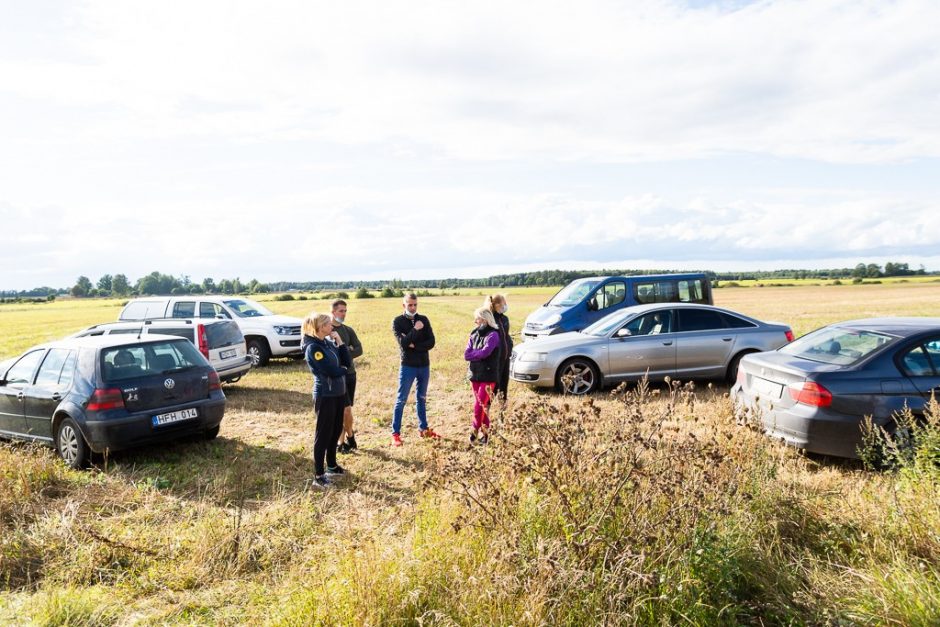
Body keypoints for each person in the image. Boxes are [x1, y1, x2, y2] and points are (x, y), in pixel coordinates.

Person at [302, 312, 351, 487]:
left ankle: (331, 465)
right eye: (329, 325)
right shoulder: (313, 348)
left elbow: (346, 361)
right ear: (321, 327)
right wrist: (343, 369)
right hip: (326, 394)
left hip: (338, 392)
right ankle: (319, 475)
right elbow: (331, 370)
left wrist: (340, 341)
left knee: (336, 429)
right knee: (323, 434)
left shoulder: (328, 343)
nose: (332, 327)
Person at [390, 292, 439, 446]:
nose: (412, 307)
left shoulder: (423, 319)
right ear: (403, 305)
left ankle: (423, 429)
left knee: (422, 398)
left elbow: (431, 342)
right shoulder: (398, 321)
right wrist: (416, 330)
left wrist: (414, 345)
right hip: (408, 366)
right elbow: (403, 343)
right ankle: (395, 434)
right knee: (401, 399)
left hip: (424, 365)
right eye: (409, 304)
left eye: (415, 304)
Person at [464, 307, 502, 444]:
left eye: (477, 318)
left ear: (485, 320)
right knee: (483, 407)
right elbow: (466, 354)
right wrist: (477, 355)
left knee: (479, 405)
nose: (475, 321)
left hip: (488, 375)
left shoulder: (493, 335)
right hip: (475, 374)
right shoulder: (474, 333)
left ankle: (475, 429)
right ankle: (485, 436)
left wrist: (475, 354)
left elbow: (486, 352)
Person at [331, 299, 363, 453]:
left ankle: (349, 437)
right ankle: (342, 441)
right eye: (340, 311)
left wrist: (345, 353)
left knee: (347, 410)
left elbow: (359, 349)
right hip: (336, 377)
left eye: (345, 311)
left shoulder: (348, 330)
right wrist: (345, 350)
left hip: (350, 374)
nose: (343, 314)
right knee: (342, 410)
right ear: (333, 312)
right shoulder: (327, 330)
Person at [485, 294, 513, 400]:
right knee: (493, 387)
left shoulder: (505, 319)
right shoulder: (490, 319)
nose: (506, 305)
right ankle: (485, 410)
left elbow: (506, 335)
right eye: (504, 303)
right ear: (496, 305)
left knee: (504, 386)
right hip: (495, 360)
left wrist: (509, 345)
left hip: (506, 358)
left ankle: (502, 412)